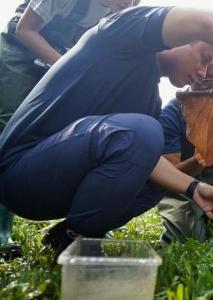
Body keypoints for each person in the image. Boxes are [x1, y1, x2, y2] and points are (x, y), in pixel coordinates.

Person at [0, 5, 213, 257]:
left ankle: (73, 236)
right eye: (204, 59)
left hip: (52, 189)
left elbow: (150, 162)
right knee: (145, 133)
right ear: (180, 39)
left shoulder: (149, 101)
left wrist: (193, 187)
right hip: (20, 172)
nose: (203, 73)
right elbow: (209, 22)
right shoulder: (122, 32)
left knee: (152, 166)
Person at [0, 0, 137, 257]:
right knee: (9, 128)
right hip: (21, 50)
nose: (129, 4)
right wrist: (67, 67)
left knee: (69, 130)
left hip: (58, 57)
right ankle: (1, 229)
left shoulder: (120, 7)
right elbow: (25, 29)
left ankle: (78, 225)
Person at [157, 46, 213, 244]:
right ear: (196, 74)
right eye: (207, 79)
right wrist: (204, 155)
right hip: (181, 186)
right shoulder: (171, 115)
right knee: (188, 242)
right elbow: (171, 175)